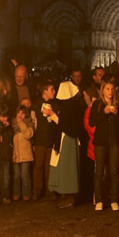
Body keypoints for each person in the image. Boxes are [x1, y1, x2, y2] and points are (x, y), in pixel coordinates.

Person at [88, 82, 119, 211]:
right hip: (101, 142)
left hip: (114, 141)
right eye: (107, 89)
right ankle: (99, 200)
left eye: (112, 89)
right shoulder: (97, 105)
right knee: (99, 171)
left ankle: (114, 199)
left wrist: (116, 114)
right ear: (102, 91)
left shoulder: (118, 105)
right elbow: (92, 122)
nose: (110, 91)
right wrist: (104, 112)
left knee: (114, 171)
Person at [46, 81, 82, 209]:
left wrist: (53, 115)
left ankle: (69, 198)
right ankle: (66, 196)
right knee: (65, 167)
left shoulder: (69, 106)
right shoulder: (72, 105)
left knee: (67, 168)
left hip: (67, 139)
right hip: (66, 139)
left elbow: (65, 125)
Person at [30, 83, 59, 200]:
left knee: (49, 166)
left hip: (50, 140)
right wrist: (33, 141)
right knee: (39, 166)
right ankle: (37, 191)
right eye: (52, 89)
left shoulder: (55, 104)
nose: (54, 91)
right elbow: (33, 123)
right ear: (45, 91)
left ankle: (49, 190)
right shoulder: (36, 105)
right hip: (40, 140)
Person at [11, 106, 35, 202]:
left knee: (25, 175)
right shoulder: (12, 125)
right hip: (16, 153)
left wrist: (21, 123)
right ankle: (16, 193)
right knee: (16, 175)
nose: (20, 115)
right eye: (18, 112)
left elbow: (28, 134)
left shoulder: (28, 123)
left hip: (26, 153)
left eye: (22, 113)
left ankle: (26, 194)